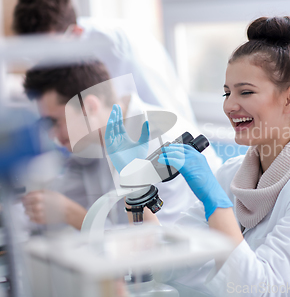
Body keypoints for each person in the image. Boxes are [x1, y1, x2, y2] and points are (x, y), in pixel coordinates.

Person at [112, 16, 290, 296]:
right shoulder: (231, 174)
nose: (229, 106)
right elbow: (170, 262)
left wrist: (217, 204)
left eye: (245, 92)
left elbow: (259, 291)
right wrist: (134, 188)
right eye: (226, 93)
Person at [21, 60, 221, 230]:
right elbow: (60, 197)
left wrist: (71, 214)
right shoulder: (91, 140)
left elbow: (155, 246)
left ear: (89, 107)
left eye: (54, 121)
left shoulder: (160, 140)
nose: (51, 134)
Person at [12, 0, 196, 123]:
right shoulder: (62, 53)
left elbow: (164, 113)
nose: (44, 62)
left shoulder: (116, 47)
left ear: (76, 33)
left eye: (50, 51)